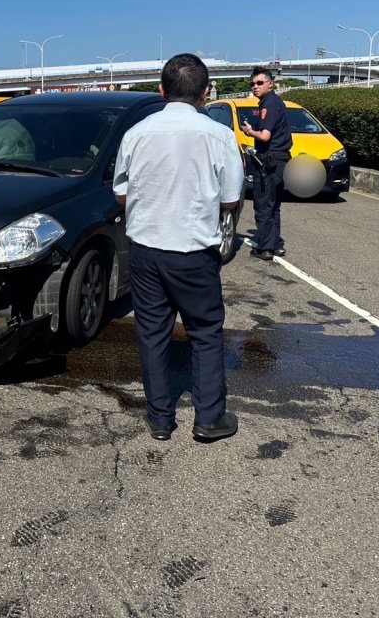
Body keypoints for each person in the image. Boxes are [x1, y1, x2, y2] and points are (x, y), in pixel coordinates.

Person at [112, 54, 245, 442]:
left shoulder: (136, 133)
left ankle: (159, 419)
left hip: (146, 248)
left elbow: (120, 194)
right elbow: (232, 199)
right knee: (204, 332)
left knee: (152, 332)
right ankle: (208, 418)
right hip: (194, 251)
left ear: (160, 91)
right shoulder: (219, 136)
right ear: (206, 93)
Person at [241, 66, 292, 260]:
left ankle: (265, 247)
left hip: (269, 159)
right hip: (281, 158)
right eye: (252, 83)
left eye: (260, 83)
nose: (255, 87)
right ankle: (276, 244)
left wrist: (249, 131)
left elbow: (264, 135)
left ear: (270, 84)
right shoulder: (277, 102)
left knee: (263, 203)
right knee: (274, 204)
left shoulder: (268, 104)